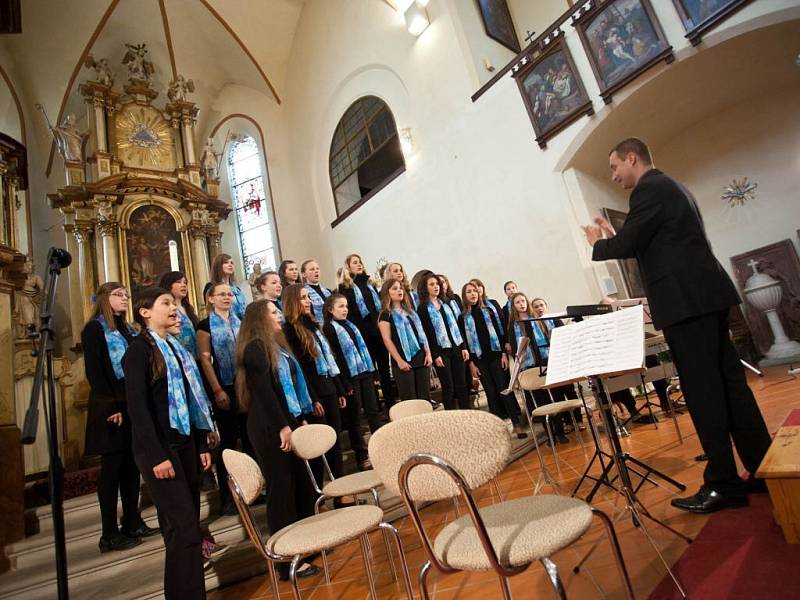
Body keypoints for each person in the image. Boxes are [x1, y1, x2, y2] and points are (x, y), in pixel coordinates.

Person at [582, 137, 772, 513]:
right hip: (707, 297)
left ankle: (723, 483)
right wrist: (614, 236)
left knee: (703, 394)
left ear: (631, 158)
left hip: (686, 305)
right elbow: (651, 242)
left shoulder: (648, 190)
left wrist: (598, 243)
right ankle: (763, 467)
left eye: (614, 167)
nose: (613, 174)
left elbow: (632, 242)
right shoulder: (673, 187)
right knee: (731, 387)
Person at [124, 287, 214, 599]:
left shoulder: (175, 347)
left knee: (178, 530)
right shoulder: (138, 351)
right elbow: (137, 408)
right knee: (187, 527)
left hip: (185, 444)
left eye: (175, 303)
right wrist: (156, 455)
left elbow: (191, 399)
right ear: (144, 312)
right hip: (161, 451)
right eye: (166, 303)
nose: (174, 308)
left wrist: (201, 444)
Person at [235, 299, 321, 581]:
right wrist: (284, 427)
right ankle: (286, 561)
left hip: (286, 422)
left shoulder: (278, 346)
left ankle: (304, 547)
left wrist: (297, 421)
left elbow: (289, 391)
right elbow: (265, 393)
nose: (279, 315)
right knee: (281, 490)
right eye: (273, 312)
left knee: (301, 486)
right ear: (259, 319)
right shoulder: (255, 348)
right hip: (268, 427)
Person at [83, 283, 158, 553]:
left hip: (130, 405)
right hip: (110, 409)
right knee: (112, 470)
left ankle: (132, 521)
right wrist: (111, 406)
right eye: (118, 295)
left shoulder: (127, 329)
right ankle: (109, 533)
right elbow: (95, 372)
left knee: (131, 467)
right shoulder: (94, 329)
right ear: (104, 298)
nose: (125, 298)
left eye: (127, 295)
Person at [282, 284, 350, 483]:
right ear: (293, 301)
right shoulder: (290, 330)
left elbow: (329, 361)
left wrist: (339, 390)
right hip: (315, 393)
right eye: (303, 298)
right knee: (318, 446)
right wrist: (313, 398)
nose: (308, 301)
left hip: (328, 387)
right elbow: (302, 370)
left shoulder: (312, 325)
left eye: (308, 297)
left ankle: (341, 490)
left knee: (334, 440)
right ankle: (319, 490)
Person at [197, 282, 249, 516]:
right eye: (221, 294)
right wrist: (217, 390)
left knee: (249, 440)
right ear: (210, 299)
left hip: (245, 386)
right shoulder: (205, 325)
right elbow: (205, 360)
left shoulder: (241, 320)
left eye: (229, 294)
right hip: (224, 387)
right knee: (228, 443)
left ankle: (251, 489)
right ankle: (228, 498)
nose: (227, 298)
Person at [461, 282, 527, 438]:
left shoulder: (489, 310)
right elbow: (463, 341)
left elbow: (499, 331)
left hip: (497, 355)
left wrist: (504, 353)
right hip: (479, 360)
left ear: (479, 293)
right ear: (465, 296)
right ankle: (499, 430)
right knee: (490, 393)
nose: (473, 294)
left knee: (504, 389)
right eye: (469, 292)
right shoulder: (462, 317)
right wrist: (471, 364)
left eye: (475, 291)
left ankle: (517, 424)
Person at [322, 293, 381, 464]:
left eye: (346, 306)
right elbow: (337, 357)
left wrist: (373, 372)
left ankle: (382, 446)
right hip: (350, 376)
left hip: (364, 371)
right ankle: (362, 456)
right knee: (355, 416)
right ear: (330, 309)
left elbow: (363, 348)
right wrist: (345, 383)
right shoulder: (330, 328)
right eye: (340, 306)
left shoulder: (351, 324)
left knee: (373, 410)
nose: (345, 309)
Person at [507, 292, 569, 444]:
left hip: (544, 361)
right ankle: (550, 435)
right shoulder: (513, 326)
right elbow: (516, 349)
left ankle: (560, 432)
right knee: (539, 402)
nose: (521, 304)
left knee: (552, 398)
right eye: (517, 302)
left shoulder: (537, 320)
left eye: (523, 301)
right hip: (529, 365)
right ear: (513, 306)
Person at [338, 254, 395, 407]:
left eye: (360, 262)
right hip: (363, 335)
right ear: (348, 267)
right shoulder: (346, 287)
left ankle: (390, 404)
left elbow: (379, 307)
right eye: (355, 262)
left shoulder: (370, 284)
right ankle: (375, 406)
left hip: (377, 331)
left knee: (384, 369)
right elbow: (349, 314)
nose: (359, 264)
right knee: (370, 372)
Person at [417, 273, 470, 410]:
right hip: (441, 352)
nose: (436, 287)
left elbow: (456, 326)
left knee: (462, 385)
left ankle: (468, 416)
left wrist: (463, 346)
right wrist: (435, 355)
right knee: (449, 387)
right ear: (425, 287)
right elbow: (427, 334)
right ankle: (450, 421)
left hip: (456, 347)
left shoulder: (445, 302)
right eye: (432, 284)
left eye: (437, 284)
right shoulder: (423, 308)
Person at [378, 278, 432, 401]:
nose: (399, 291)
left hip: (421, 358)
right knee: (410, 399)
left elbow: (422, 334)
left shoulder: (411, 311)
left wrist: (428, 354)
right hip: (403, 361)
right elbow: (387, 340)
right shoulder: (385, 315)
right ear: (387, 293)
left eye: (400, 288)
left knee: (425, 397)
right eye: (395, 289)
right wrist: (399, 361)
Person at [159, 271, 199, 356]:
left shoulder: (188, 309)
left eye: (185, 282)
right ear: (168, 285)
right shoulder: (164, 309)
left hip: (195, 356)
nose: (184, 285)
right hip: (177, 354)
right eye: (178, 282)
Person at [210, 253, 247, 320]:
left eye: (231, 263)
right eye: (226, 262)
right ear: (218, 266)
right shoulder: (211, 287)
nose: (230, 265)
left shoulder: (237, 289)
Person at [301, 259, 332, 324]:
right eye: (312, 269)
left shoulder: (327, 291)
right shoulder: (304, 293)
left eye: (317, 268)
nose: (316, 271)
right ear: (304, 274)